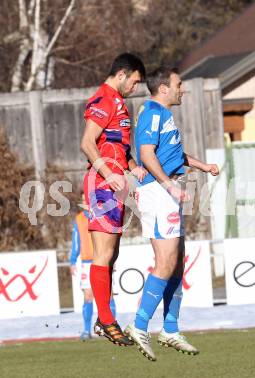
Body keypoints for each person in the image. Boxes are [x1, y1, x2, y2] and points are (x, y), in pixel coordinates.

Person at [124, 67, 220, 361]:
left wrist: (202, 166)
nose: (183, 89)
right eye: (179, 84)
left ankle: (170, 328)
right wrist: (170, 187)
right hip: (158, 192)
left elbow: (173, 154)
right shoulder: (153, 112)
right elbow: (147, 154)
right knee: (165, 262)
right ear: (163, 88)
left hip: (168, 191)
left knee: (176, 263)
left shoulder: (164, 115)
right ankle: (139, 325)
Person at [80, 53, 147, 346]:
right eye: (134, 82)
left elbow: (119, 148)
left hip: (116, 186)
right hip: (102, 185)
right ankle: (106, 320)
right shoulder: (104, 99)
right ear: (122, 74)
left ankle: (104, 318)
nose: (135, 88)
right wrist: (109, 174)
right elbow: (86, 143)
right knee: (103, 255)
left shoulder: (118, 104)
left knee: (112, 255)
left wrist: (133, 168)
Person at [69, 193, 117, 341]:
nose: (85, 202)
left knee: (107, 295)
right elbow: (76, 241)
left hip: (103, 260)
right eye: (83, 199)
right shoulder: (79, 219)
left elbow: (111, 239)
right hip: (86, 262)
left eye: (87, 199)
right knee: (88, 295)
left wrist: (112, 258)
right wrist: (72, 260)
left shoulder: (103, 215)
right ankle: (86, 330)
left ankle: (112, 329)